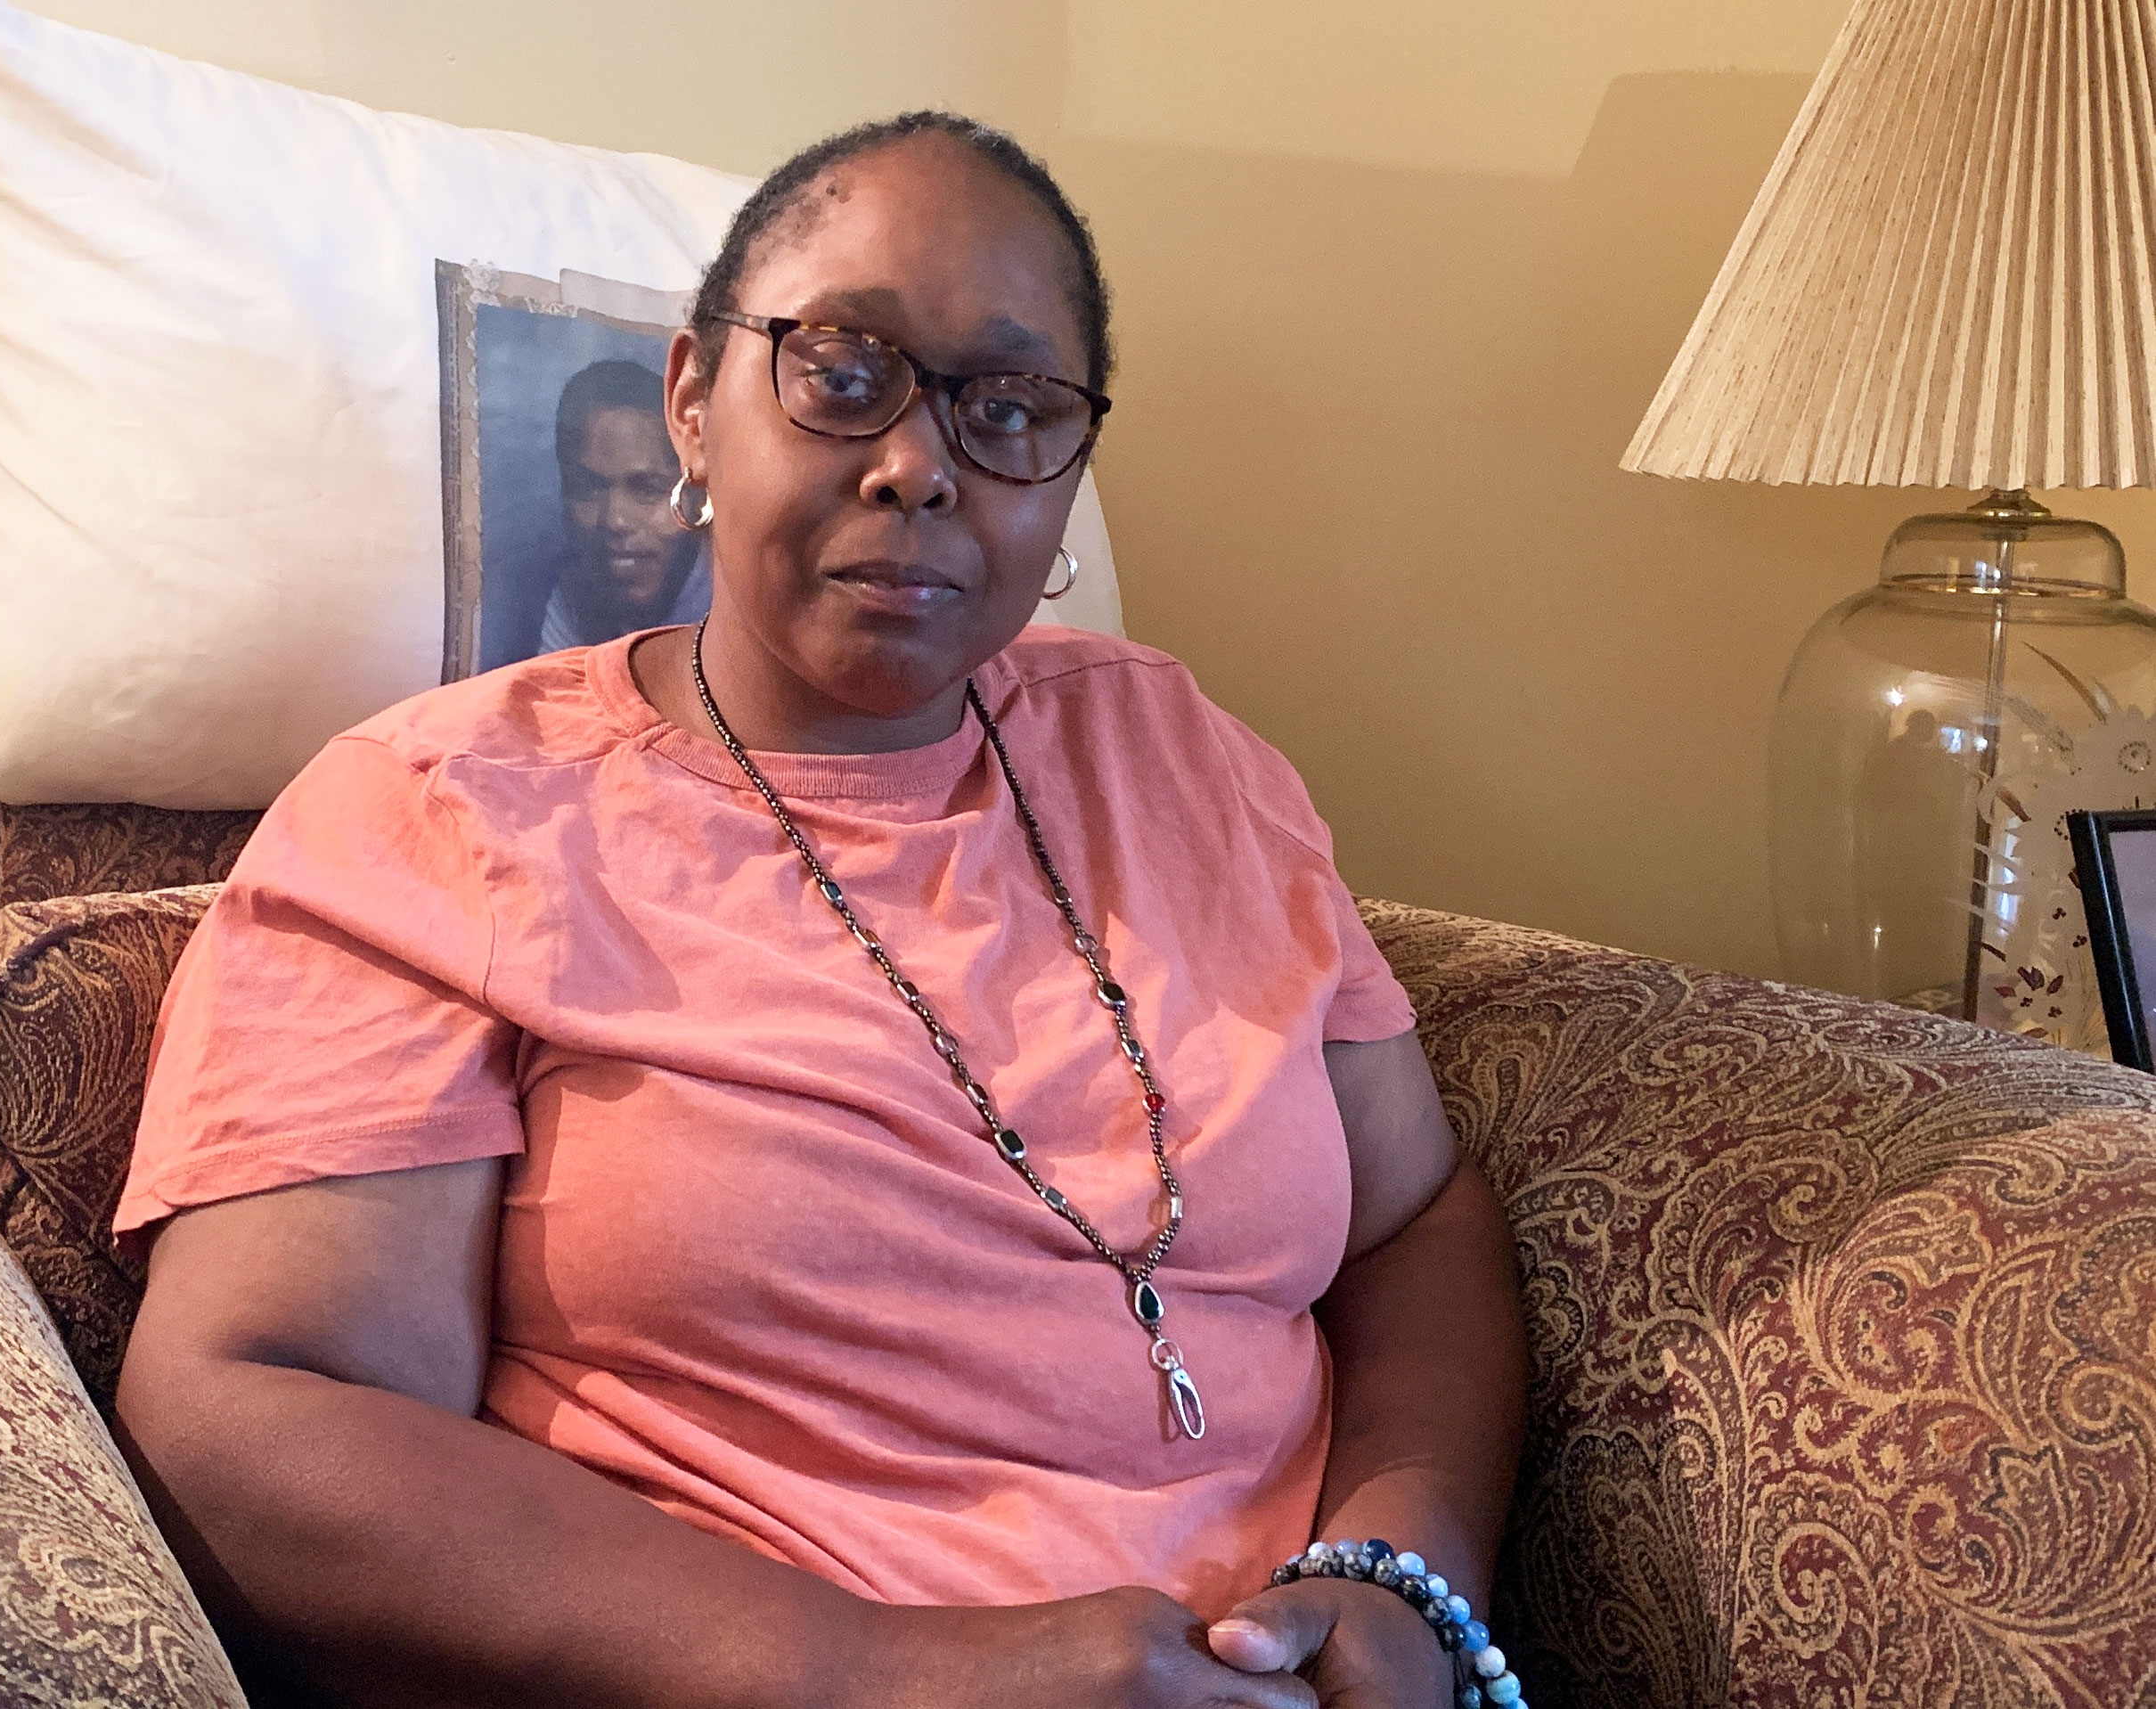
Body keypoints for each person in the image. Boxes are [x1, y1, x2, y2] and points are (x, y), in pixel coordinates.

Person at [113, 110, 1525, 1709]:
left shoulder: (1186, 755)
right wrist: (878, 1663)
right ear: (694, 406)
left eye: (1010, 410)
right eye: (842, 372)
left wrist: (1398, 1574)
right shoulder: (440, 811)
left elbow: (1415, 1218)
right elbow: (255, 1407)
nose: (918, 465)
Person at [534, 358, 713, 655]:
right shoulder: (574, 601)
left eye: (647, 489)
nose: (615, 520)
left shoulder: (737, 597)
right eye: (589, 488)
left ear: (696, 493)